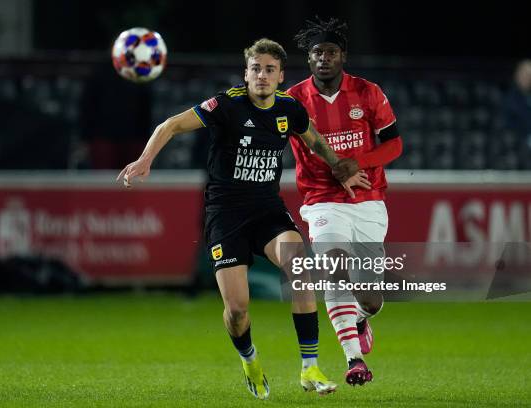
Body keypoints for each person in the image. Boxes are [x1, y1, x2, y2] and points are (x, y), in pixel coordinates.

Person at [118, 38, 370, 399]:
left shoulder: (289, 109)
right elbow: (170, 125)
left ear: (281, 76)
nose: (262, 76)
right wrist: (144, 161)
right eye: (256, 69)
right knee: (237, 310)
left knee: (300, 270)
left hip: (267, 210)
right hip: (225, 214)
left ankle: (309, 366)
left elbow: (313, 139)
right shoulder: (226, 104)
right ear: (246, 73)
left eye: (270, 70)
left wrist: (339, 168)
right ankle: (250, 360)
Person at [287, 17, 403, 386]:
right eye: (317, 52)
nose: (324, 58)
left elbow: (395, 144)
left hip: (368, 198)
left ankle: (360, 319)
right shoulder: (293, 99)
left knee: (370, 298)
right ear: (309, 60)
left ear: (343, 57)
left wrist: (357, 163)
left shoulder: (368, 92)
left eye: (331, 52)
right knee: (333, 267)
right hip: (322, 200)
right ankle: (354, 361)